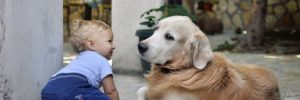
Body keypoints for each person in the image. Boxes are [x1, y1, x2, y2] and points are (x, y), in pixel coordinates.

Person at [42, 20, 119, 100]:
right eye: (109, 41)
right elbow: (111, 91)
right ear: (91, 45)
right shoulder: (102, 61)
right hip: (74, 86)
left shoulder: (79, 59)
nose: (113, 46)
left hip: (50, 87)